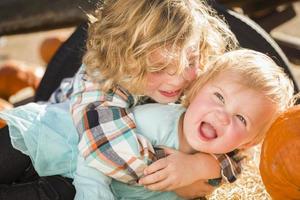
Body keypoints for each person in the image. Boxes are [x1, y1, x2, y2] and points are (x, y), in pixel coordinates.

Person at [0, 0, 240, 199]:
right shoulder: (103, 76)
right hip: (39, 145)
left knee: (61, 191)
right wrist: (176, 178)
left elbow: (239, 142)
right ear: (122, 57)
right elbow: (106, 148)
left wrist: (206, 165)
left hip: (72, 180)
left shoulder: (201, 83)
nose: (176, 80)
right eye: (157, 67)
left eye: (189, 62)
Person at [0, 49, 296, 200]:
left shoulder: (219, 165)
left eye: (241, 119)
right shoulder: (158, 121)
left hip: (65, 181)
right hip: (46, 138)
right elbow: (95, 155)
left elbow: (233, 169)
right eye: (218, 97)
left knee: (54, 193)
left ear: (249, 142)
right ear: (195, 91)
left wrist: (200, 166)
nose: (222, 115)